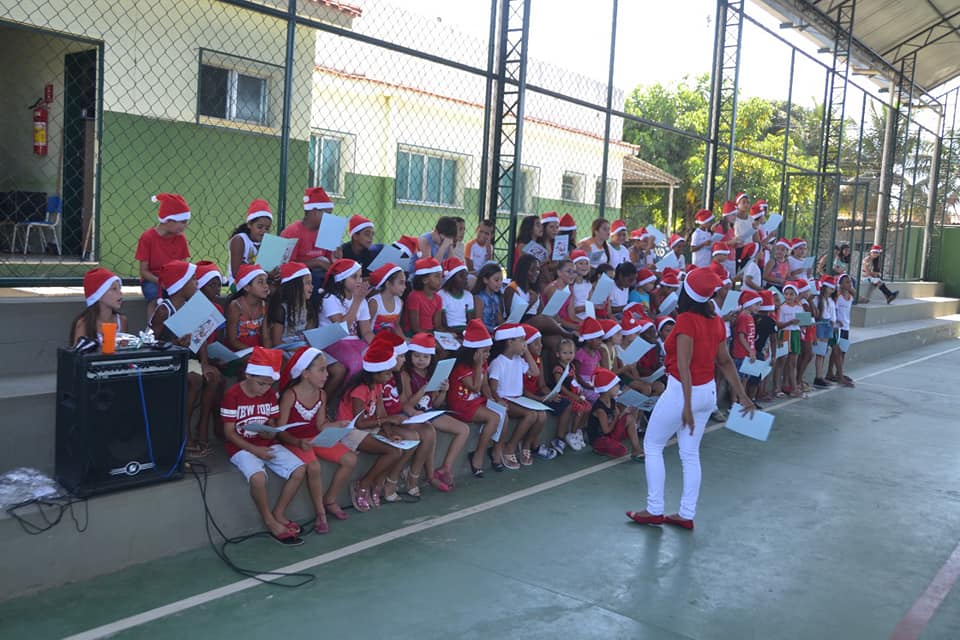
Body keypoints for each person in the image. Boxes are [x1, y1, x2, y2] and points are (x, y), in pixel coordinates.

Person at [627, 268, 755, 530]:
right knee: (690, 453)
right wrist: (742, 395)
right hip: (707, 393)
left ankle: (654, 509)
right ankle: (686, 513)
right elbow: (725, 361)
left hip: (681, 392)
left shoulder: (685, 320)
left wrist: (685, 404)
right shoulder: (716, 321)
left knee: (652, 445)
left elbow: (683, 366)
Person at [221, 346, 306, 545]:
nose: (265, 389)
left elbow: (272, 424)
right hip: (241, 447)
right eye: (261, 384)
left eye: (269, 384)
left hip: (265, 443)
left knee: (300, 469)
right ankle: (269, 520)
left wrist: (270, 430)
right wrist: (256, 450)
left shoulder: (269, 394)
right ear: (248, 375)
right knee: (258, 478)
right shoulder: (232, 395)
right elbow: (229, 433)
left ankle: (279, 512)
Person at [276, 348, 358, 529]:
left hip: (313, 437)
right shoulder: (291, 395)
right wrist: (297, 442)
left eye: (326, 369)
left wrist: (339, 424)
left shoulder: (322, 394)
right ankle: (320, 512)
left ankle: (330, 499)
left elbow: (320, 426)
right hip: (295, 440)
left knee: (350, 459)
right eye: (321, 370)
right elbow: (280, 431)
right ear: (305, 373)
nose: (327, 375)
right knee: (313, 466)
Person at [150, 260, 221, 457]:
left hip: (188, 358)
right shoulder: (164, 310)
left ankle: (203, 425)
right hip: (169, 359)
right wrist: (175, 342)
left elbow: (202, 339)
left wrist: (205, 363)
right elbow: (153, 342)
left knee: (213, 375)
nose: (196, 284)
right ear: (181, 284)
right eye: (193, 280)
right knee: (195, 379)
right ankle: (184, 430)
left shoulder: (193, 306)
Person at [337, 343, 420, 510]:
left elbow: (381, 414)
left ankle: (375, 482)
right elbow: (359, 423)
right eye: (387, 373)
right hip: (350, 430)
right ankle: (363, 483)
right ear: (375, 373)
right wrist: (388, 420)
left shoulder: (377, 385)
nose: (390, 376)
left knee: (397, 448)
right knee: (392, 451)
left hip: (368, 427)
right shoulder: (360, 390)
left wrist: (389, 433)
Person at [401, 333, 471, 488]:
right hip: (414, 415)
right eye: (417, 356)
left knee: (464, 429)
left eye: (425, 357)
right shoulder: (406, 374)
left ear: (431, 358)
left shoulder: (432, 373)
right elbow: (407, 405)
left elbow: (436, 403)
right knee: (430, 431)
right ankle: (430, 474)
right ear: (410, 355)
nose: (420, 360)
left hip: (429, 411)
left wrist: (444, 391)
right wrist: (423, 390)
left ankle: (446, 467)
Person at [446, 320, 501, 476]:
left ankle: (497, 453)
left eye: (489, 351)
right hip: (461, 404)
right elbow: (475, 387)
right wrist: (477, 366)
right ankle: (478, 455)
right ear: (474, 352)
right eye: (484, 352)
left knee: (502, 413)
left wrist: (493, 400)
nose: (487, 355)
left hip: (476, 401)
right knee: (494, 418)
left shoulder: (482, 364)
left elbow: (483, 387)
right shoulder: (462, 368)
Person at [487, 322, 546, 470]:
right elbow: (493, 387)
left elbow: (535, 372)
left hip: (519, 399)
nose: (524, 344)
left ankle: (526, 445)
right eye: (521, 340)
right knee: (531, 415)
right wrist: (498, 400)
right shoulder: (498, 362)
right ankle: (510, 446)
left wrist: (525, 352)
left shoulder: (519, 360)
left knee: (542, 415)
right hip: (506, 399)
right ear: (510, 342)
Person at [318, 258, 373, 391]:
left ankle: (364, 397)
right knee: (356, 363)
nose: (359, 280)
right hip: (333, 342)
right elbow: (342, 328)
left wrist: (380, 345)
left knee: (374, 358)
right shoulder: (330, 298)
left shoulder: (361, 300)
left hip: (354, 342)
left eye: (360, 276)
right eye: (354, 277)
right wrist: (357, 301)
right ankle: (344, 399)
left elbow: (366, 332)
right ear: (341, 279)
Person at [136, 193, 191, 319]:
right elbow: (144, 271)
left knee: (185, 296)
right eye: (182, 222)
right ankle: (153, 330)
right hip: (153, 280)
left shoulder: (181, 239)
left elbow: (183, 267)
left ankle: (180, 330)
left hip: (174, 279)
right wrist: (161, 282)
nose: (185, 226)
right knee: (154, 296)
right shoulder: (147, 237)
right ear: (168, 220)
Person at [281, 187, 336, 300]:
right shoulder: (293, 232)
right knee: (313, 280)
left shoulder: (328, 230)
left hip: (322, 276)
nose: (331, 218)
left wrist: (336, 257)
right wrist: (316, 263)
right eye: (328, 214)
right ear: (315, 212)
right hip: (299, 279)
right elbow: (287, 265)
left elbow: (331, 261)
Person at [587, 368, 641, 458]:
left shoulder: (611, 400)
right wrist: (617, 416)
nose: (619, 387)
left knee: (630, 417)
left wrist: (625, 412)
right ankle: (598, 449)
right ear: (607, 389)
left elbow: (617, 417)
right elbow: (606, 430)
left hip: (609, 435)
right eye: (616, 385)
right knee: (621, 451)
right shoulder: (600, 409)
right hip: (600, 439)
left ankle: (636, 449)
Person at [71, 268, 126, 346]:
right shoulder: (84, 324)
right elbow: (77, 355)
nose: (120, 293)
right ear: (98, 295)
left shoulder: (121, 320)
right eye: (114, 289)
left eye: (120, 288)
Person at [267, 262, 316, 349]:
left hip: (302, 349)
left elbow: (309, 336)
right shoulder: (281, 309)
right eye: (308, 283)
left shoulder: (308, 307)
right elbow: (277, 342)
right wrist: (297, 350)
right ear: (295, 286)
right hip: (285, 351)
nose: (312, 287)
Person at [224, 264, 271, 355]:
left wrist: (267, 353)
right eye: (260, 282)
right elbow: (232, 340)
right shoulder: (236, 306)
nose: (266, 286)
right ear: (246, 287)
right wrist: (255, 352)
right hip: (238, 350)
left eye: (266, 282)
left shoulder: (265, 305)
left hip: (257, 349)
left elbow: (266, 337)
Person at [227, 199, 273, 286]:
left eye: (267, 228)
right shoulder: (239, 240)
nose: (263, 231)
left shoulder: (266, 242)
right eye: (259, 227)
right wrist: (265, 273)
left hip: (260, 281)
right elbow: (236, 272)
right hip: (238, 283)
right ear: (249, 225)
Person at [405, 258, 444, 335]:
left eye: (441, 276)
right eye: (437, 276)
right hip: (414, 334)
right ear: (424, 280)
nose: (441, 280)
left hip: (430, 333)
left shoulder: (438, 298)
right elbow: (415, 328)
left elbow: (437, 325)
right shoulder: (414, 296)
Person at [437, 257, 474, 335]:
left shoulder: (468, 296)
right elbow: (443, 322)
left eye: (466, 276)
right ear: (451, 279)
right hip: (449, 330)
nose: (465, 279)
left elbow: (470, 320)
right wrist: (454, 333)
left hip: (464, 330)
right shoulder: (442, 295)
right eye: (461, 276)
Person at [368, 263, 406, 337]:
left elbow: (396, 326)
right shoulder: (374, 302)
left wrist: (404, 342)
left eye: (405, 283)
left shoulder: (400, 302)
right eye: (401, 283)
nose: (405, 287)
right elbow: (366, 329)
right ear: (388, 284)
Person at [473, 262, 505, 333]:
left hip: (495, 332)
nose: (500, 283)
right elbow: (478, 323)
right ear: (485, 280)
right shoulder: (479, 298)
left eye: (501, 280)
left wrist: (504, 327)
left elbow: (500, 318)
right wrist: (493, 330)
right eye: (496, 280)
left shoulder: (496, 297)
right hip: (483, 333)